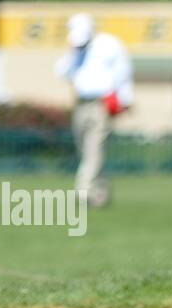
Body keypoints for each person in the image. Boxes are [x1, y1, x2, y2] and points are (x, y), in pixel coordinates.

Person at [54, 13, 133, 208]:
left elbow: (123, 71)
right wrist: (73, 52)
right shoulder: (75, 52)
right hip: (81, 104)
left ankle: (82, 192)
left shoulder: (108, 45)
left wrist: (125, 99)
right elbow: (61, 72)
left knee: (94, 149)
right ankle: (99, 194)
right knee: (86, 151)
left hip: (101, 105)